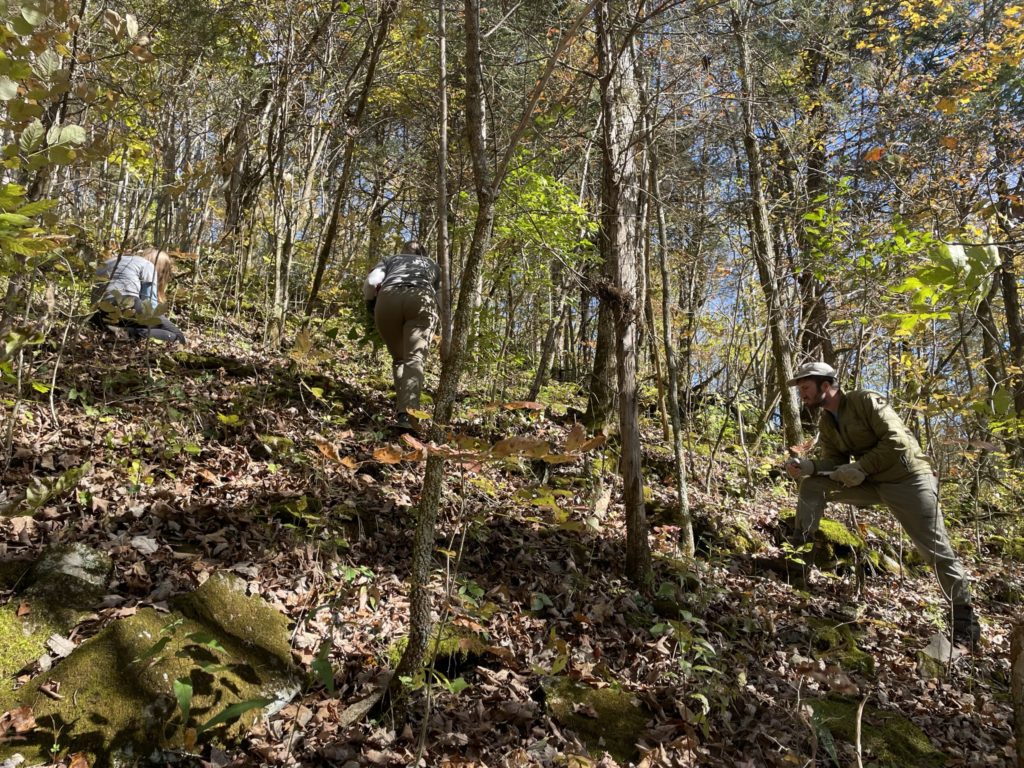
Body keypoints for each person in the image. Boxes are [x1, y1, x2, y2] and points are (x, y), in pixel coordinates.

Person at [782, 361, 980, 648]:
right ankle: (798, 564)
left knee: (935, 550)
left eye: (806, 388)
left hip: (909, 481)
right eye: (800, 389)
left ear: (826, 385)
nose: (803, 395)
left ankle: (965, 621)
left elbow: (897, 441)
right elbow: (835, 463)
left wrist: (861, 466)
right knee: (812, 485)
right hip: (871, 482)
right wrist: (809, 465)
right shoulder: (827, 422)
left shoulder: (866, 401)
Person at [363, 240, 439, 430]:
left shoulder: (390, 260)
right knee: (415, 358)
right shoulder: (431, 264)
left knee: (399, 359)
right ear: (423, 252)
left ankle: (402, 411)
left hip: (388, 299)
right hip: (421, 299)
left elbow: (372, 282)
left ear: (402, 251)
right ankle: (409, 415)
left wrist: (370, 306)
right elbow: (441, 295)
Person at [91, 247, 186, 344]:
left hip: (99, 312)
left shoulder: (113, 260)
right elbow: (149, 305)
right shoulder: (147, 265)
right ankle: (125, 333)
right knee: (178, 336)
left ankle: (114, 331)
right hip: (127, 302)